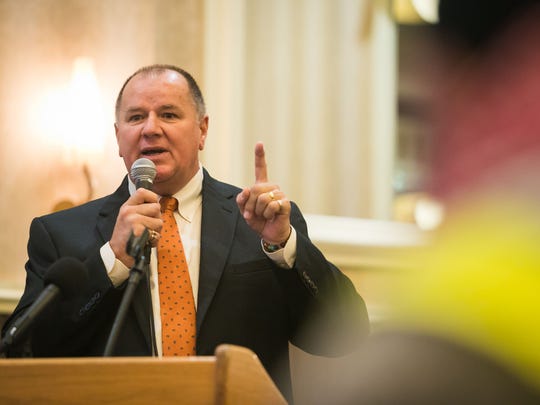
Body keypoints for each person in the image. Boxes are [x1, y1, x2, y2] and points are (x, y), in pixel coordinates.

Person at [2, 64, 369, 402]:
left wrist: (283, 247)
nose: (150, 128)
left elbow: (345, 334)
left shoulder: (260, 221)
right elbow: (22, 350)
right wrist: (111, 261)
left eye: (168, 114)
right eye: (135, 117)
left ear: (202, 130)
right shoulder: (60, 233)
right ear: (118, 137)